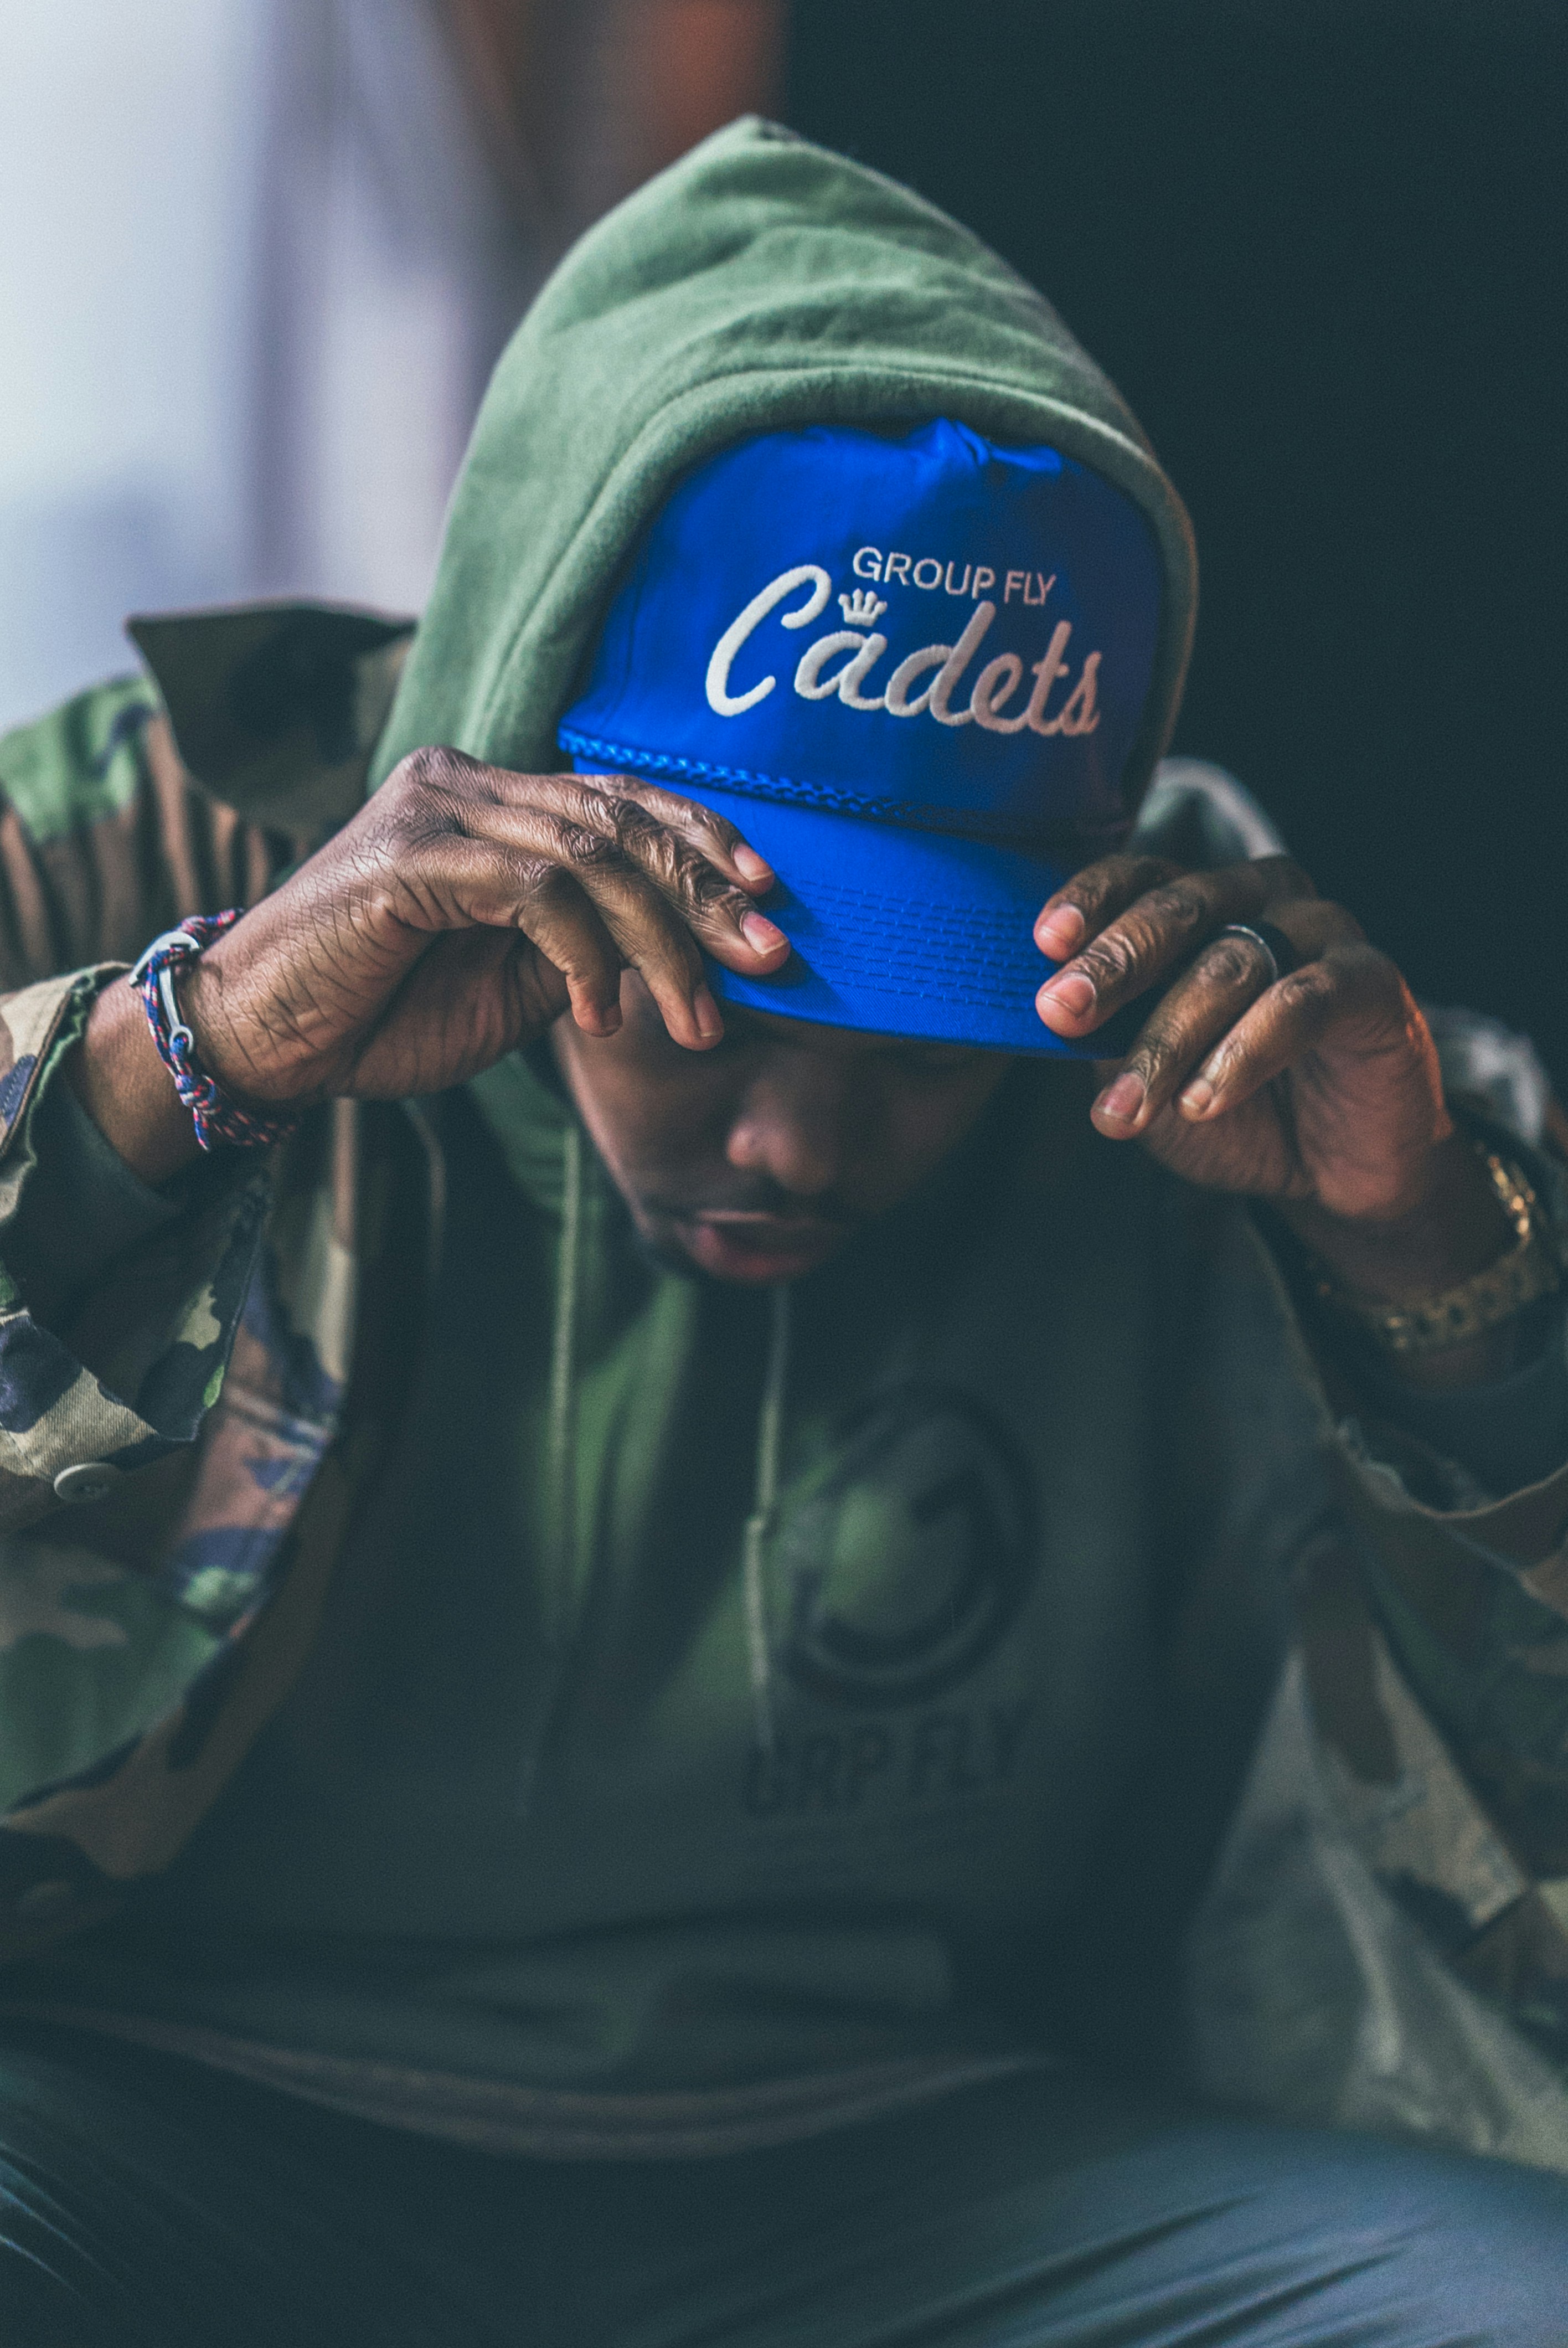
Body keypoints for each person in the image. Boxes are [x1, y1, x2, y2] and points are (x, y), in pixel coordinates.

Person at [0, 118, 1565, 2346]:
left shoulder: (1238, 1035)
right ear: (511, 734)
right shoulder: (130, 855)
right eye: (713, 999)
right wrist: (202, 1048)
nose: (803, 1139)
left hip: (920, 2155)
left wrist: (1438, 1262)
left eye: (927, 1033)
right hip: (156, 2117)